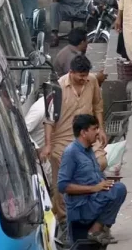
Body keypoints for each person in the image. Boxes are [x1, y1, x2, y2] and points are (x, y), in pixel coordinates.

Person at [43, 55, 107, 223]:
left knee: (100, 162)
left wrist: (101, 129)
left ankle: (91, 205)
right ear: (71, 72)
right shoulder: (56, 87)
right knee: (62, 171)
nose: (83, 79)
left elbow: (98, 107)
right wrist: (48, 145)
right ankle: (65, 217)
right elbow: (49, 119)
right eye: (80, 76)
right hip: (63, 136)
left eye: (86, 75)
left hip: (87, 134)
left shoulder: (92, 81)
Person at [58, 113, 126, 245]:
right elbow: (62, 186)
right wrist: (94, 188)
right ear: (84, 132)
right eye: (94, 129)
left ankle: (97, 229)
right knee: (118, 189)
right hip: (81, 206)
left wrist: (103, 183)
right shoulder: (71, 153)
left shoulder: (88, 150)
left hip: (93, 200)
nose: (98, 132)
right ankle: (95, 230)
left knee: (118, 189)